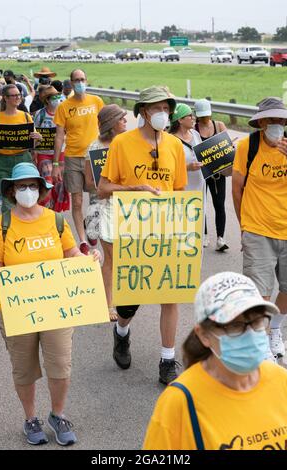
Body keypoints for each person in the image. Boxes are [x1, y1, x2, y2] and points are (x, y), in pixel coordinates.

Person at [0, 162, 101, 446]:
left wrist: (87, 259)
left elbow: (71, 252)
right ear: (12, 192)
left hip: (56, 306)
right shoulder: (1, 225)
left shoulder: (56, 220)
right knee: (24, 367)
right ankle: (30, 418)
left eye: (32, 186)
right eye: (20, 186)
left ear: (41, 190)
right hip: (18, 308)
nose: (27, 191)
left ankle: (58, 414)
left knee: (60, 363)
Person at [98, 86, 187, 385]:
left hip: (164, 231)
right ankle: (121, 332)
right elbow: (103, 188)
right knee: (130, 302)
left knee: (170, 295)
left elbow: (179, 191)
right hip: (132, 231)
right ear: (144, 112)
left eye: (167, 108)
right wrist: (133, 189)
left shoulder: (175, 145)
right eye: (156, 108)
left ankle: (167, 359)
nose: (163, 113)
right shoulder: (122, 144)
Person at [143, 271, 287, 450]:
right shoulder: (179, 402)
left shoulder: (281, 380)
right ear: (204, 335)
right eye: (235, 325)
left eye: (257, 321)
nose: (250, 333)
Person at [232, 97, 287, 362]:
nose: (276, 125)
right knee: (260, 292)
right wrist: (243, 227)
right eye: (271, 120)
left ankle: (274, 329)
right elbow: (237, 188)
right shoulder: (248, 146)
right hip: (257, 228)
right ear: (261, 123)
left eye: (281, 120)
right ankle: (262, 346)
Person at [52, 69, 104, 255]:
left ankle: (91, 228)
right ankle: (82, 240)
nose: (80, 82)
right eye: (76, 80)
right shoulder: (64, 107)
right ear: (71, 83)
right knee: (77, 201)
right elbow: (59, 136)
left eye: (83, 79)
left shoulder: (96, 101)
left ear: (86, 80)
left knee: (96, 199)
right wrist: (56, 164)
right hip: (73, 157)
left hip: (95, 157)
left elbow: (104, 128)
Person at [85, 104, 127, 321]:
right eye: (122, 119)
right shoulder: (95, 147)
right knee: (110, 258)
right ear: (112, 123)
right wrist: (108, 182)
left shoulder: (128, 143)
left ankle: (122, 297)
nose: (126, 123)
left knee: (123, 256)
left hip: (127, 206)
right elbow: (89, 182)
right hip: (102, 206)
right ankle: (108, 304)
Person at [0, 84, 41, 213]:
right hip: (3, 161)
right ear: (5, 98)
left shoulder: (26, 117)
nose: (17, 97)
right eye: (14, 95)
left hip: (23, 159)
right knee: (7, 202)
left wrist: (38, 138)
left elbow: (32, 144)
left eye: (19, 95)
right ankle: (8, 230)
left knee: (25, 198)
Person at [169, 103, 207, 246]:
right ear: (179, 120)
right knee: (180, 229)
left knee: (195, 228)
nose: (193, 118)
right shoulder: (170, 139)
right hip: (181, 191)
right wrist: (187, 167)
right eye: (189, 116)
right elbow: (166, 167)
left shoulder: (195, 135)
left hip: (199, 190)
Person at [194, 99, 229, 251]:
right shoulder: (194, 129)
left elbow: (227, 146)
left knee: (219, 204)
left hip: (217, 172)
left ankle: (221, 238)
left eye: (207, 115)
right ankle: (204, 234)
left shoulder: (219, 125)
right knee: (201, 205)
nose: (205, 119)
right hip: (200, 173)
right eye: (202, 116)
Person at [34, 86, 69, 212]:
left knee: (59, 184)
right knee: (48, 182)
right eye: (54, 97)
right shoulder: (40, 114)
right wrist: (35, 149)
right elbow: (33, 133)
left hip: (61, 153)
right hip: (44, 154)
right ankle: (45, 210)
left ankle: (56, 214)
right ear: (47, 100)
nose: (57, 100)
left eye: (58, 97)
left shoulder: (64, 112)